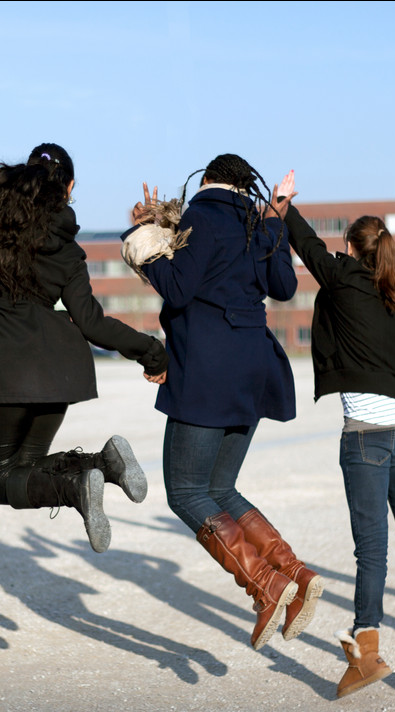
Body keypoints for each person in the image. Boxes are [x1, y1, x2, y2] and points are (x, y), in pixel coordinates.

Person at [0, 48, 168, 552]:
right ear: (68, 189)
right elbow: (91, 322)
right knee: (26, 470)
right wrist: (153, 352)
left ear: (28, 175)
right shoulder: (69, 251)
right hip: (56, 378)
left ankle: (83, 480)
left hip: (3, 379)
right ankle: (102, 464)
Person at [122, 157, 323, 651]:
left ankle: (267, 586)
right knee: (220, 487)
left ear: (206, 180)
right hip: (254, 368)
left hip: (209, 371)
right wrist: (275, 217)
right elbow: (285, 287)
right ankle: (294, 574)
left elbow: (178, 287)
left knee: (187, 493)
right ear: (242, 185)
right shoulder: (259, 223)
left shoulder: (201, 216)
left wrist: (147, 237)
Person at [276, 171, 395, 697]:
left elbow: (307, 247)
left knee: (371, 549)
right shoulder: (394, 291)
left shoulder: (345, 277)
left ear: (352, 248)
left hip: (366, 436)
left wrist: (283, 206)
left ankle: (367, 654)